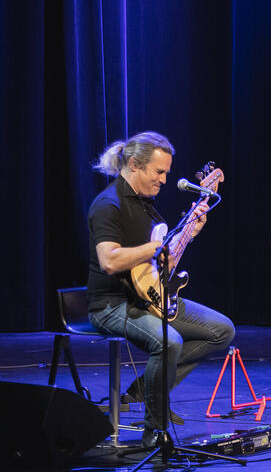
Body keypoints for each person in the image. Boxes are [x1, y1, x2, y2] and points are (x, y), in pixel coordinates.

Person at [87, 132, 235, 446]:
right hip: (112, 305)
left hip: (149, 297)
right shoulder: (108, 205)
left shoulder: (146, 206)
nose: (165, 179)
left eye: (167, 172)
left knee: (222, 330)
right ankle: (154, 431)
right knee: (169, 342)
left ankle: (147, 390)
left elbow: (159, 266)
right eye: (159, 172)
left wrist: (188, 234)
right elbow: (110, 261)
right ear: (133, 165)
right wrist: (154, 247)